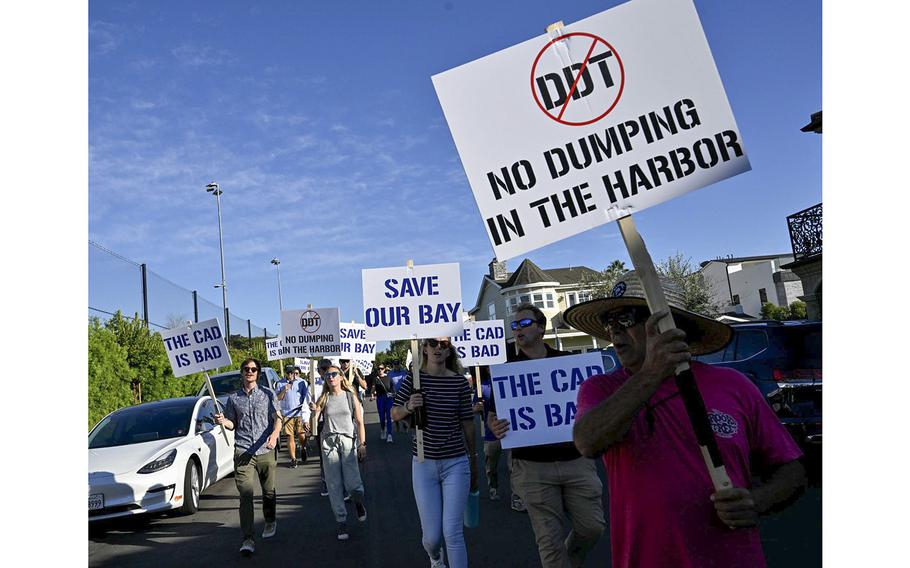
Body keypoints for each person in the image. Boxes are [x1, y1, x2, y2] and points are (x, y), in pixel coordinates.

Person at [567, 272, 807, 568]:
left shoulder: (734, 385)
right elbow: (587, 441)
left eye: (626, 318)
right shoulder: (601, 389)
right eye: (609, 322)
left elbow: (792, 471)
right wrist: (651, 373)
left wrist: (758, 501)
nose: (614, 331)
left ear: (669, 325)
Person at [487, 304, 605, 568]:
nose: (517, 329)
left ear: (541, 328)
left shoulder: (568, 362)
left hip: (576, 460)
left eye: (524, 324)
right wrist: (494, 425)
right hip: (531, 467)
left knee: (592, 527)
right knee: (549, 543)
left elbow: (592, 404)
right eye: (514, 326)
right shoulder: (507, 371)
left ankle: (569, 559)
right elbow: (492, 414)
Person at [391, 337, 478, 568]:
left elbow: (467, 424)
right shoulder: (414, 379)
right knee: (432, 538)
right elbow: (394, 414)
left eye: (443, 344)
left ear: (449, 351)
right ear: (424, 349)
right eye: (432, 343)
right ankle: (435, 558)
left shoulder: (459, 383)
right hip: (423, 463)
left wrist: (474, 459)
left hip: (456, 463)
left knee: (453, 532)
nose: (438, 347)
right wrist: (409, 405)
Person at [214, 358, 281, 556]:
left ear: (258, 373)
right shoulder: (233, 398)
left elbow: (278, 418)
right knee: (246, 495)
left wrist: (275, 435)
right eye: (246, 369)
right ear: (241, 373)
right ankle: (248, 538)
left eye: (253, 369)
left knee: (268, 492)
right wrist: (222, 421)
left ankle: (270, 519)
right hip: (243, 451)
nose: (249, 372)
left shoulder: (268, 394)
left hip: (265, 450)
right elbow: (232, 424)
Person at [312, 363, 368, 541]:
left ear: (341, 377)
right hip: (329, 443)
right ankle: (341, 521)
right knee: (334, 484)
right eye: (327, 375)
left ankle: (358, 501)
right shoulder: (324, 398)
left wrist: (362, 444)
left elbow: (359, 422)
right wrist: (314, 413)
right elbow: (314, 425)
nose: (331, 377)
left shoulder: (351, 396)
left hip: (348, 441)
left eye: (334, 374)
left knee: (353, 482)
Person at [276, 365, 311, 468]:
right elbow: (277, 398)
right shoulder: (280, 383)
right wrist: (284, 390)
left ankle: (303, 447)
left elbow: (306, 397)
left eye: (293, 373)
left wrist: (306, 411)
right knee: (289, 436)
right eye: (289, 373)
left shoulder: (302, 382)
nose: (291, 375)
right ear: (286, 373)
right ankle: (293, 459)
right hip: (287, 414)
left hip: (299, 413)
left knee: (301, 435)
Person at [371, 363, 395, 443]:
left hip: (389, 399)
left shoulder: (389, 378)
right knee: (381, 417)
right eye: (378, 369)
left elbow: (392, 389)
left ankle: (389, 434)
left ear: (384, 369)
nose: (380, 370)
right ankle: (383, 428)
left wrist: (393, 394)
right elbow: (373, 389)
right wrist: (372, 394)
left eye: (381, 368)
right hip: (380, 399)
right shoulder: (376, 379)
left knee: (389, 416)